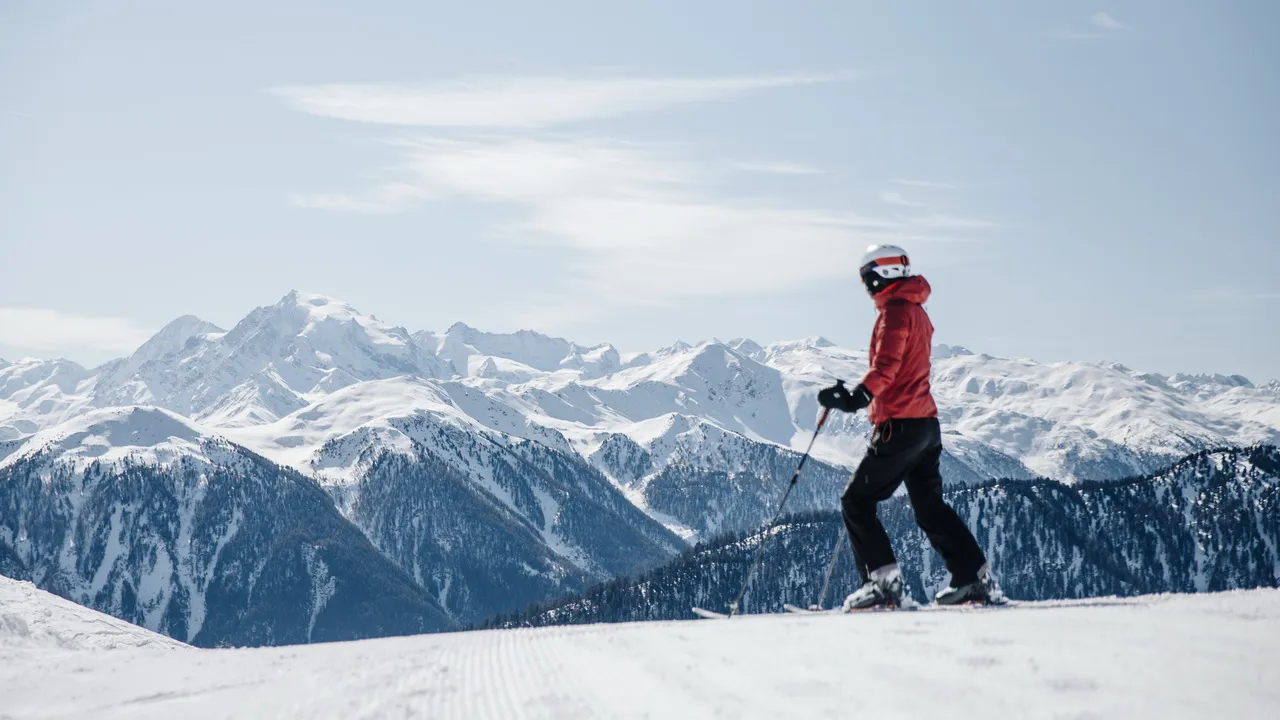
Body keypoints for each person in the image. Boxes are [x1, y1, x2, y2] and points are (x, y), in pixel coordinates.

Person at [817, 244, 1002, 609]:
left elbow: (887, 364)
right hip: (926, 426)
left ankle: (883, 584)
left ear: (877, 275)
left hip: (900, 424)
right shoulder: (916, 310)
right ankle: (972, 577)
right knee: (929, 507)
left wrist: (856, 398)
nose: (865, 286)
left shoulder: (896, 312)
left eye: (865, 278)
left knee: (857, 500)